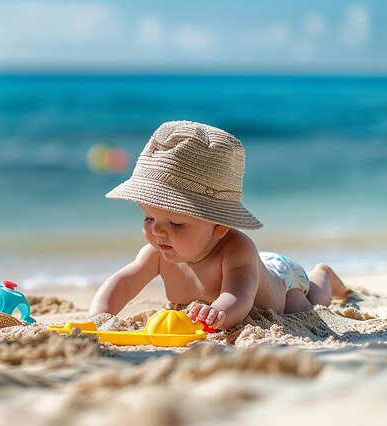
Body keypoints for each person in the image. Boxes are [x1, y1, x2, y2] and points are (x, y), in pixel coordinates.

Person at [88, 121, 348, 331]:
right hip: (261, 270)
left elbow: (239, 295)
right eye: (149, 218)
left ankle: (324, 275)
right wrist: (99, 316)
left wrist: (219, 312)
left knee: (308, 303)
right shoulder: (157, 252)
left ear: (220, 225)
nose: (157, 231)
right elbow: (123, 283)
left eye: (176, 224)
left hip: (282, 280)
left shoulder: (236, 249)